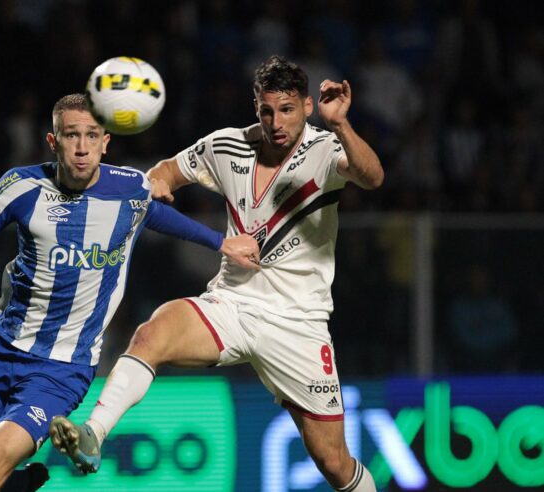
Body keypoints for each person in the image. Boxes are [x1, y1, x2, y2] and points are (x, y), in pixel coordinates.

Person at [0, 93, 259, 492]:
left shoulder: (131, 190)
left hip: (61, 369)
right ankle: (16, 487)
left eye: (92, 135)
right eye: (72, 135)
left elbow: (156, 213)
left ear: (106, 141)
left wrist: (220, 242)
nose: (83, 146)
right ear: (53, 141)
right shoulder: (19, 187)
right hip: (0, 350)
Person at [50, 55, 385, 492]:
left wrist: (340, 124)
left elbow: (372, 176)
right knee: (152, 334)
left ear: (306, 106)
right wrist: (157, 182)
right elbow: (166, 171)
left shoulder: (324, 151)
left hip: (297, 323)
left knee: (334, 463)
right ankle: (93, 433)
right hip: (231, 304)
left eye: (286, 109)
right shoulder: (227, 146)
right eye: (267, 111)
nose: (276, 121)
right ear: (256, 110)